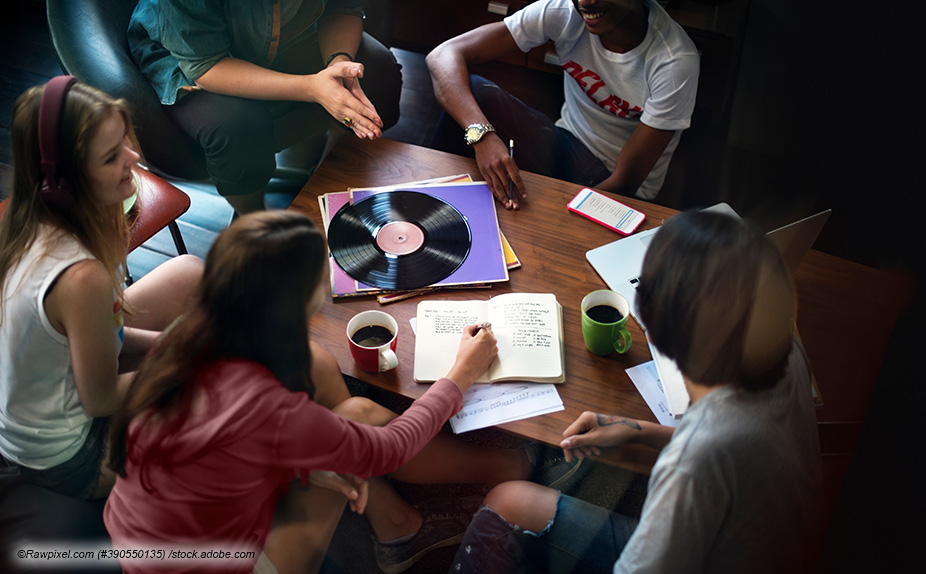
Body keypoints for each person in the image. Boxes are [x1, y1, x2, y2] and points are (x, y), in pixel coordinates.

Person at [103, 211, 541, 574]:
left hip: (141, 541)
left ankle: (399, 528)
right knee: (361, 417)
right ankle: (507, 466)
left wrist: (307, 463)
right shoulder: (268, 407)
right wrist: (462, 372)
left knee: (335, 398)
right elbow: (389, 448)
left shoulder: (190, 336)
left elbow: (219, 449)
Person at [448, 210, 825, 573]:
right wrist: (636, 431)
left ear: (659, 334)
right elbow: (743, 446)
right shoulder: (783, 346)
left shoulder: (692, 463)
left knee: (506, 502)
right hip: (785, 542)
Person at [0, 77, 203, 500]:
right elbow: (102, 398)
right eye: (112, 157)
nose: (133, 158)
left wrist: (166, 345)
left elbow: (107, 334)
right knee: (219, 394)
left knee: (188, 271)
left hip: (61, 387)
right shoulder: (80, 277)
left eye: (125, 140)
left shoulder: (29, 219)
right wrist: (186, 362)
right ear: (64, 183)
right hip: (70, 456)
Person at [128, 0, 403, 215]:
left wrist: (338, 64)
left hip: (290, 36)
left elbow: (341, 8)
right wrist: (312, 88)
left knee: (380, 73)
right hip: (192, 57)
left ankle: (326, 183)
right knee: (236, 127)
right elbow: (207, 65)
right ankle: (253, 219)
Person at [426, 0, 699, 210]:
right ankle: (429, 205)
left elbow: (625, 183)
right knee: (475, 94)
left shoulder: (674, 61)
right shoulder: (565, 11)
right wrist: (481, 136)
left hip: (612, 178)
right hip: (564, 142)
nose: (587, 1)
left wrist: (552, 219)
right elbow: (443, 55)